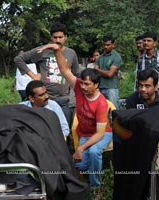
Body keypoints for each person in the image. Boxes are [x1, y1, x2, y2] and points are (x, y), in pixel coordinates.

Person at [37, 43, 112, 190]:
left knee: (93, 151)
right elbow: (65, 70)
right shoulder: (78, 86)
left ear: (96, 85)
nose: (83, 87)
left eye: (87, 84)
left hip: (101, 134)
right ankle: (83, 175)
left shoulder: (101, 103)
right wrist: (57, 50)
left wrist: (80, 148)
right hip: (83, 132)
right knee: (81, 164)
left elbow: (100, 133)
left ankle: (96, 186)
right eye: (82, 83)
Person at [14, 22, 81, 127]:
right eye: (55, 37)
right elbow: (19, 59)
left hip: (64, 99)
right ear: (51, 37)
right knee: (45, 128)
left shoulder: (71, 53)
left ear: (66, 37)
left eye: (60, 37)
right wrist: (33, 76)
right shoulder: (43, 50)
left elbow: (77, 74)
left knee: (64, 128)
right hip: (45, 99)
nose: (58, 40)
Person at [94, 35, 122, 109]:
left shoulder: (116, 57)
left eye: (108, 45)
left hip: (111, 88)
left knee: (114, 111)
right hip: (100, 88)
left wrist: (98, 70)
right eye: (104, 45)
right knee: (102, 111)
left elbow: (110, 74)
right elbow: (95, 72)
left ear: (113, 45)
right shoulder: (100, 57)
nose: (106, 47)